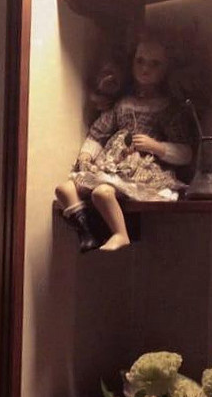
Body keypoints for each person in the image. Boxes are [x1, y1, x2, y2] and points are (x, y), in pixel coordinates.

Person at [54, 31, 193, 252]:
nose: (145, 69)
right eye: (140, 61)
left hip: (140, 170)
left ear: (167, 69)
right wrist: (86, 155)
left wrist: (157, 147)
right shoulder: (122, 104)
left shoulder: (167, 109)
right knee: (64, 189)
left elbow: (185, 152)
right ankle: (86, 233)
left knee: (102, 193)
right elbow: (99, 132)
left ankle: (121, 234)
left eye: (154, 64)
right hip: (110, 164)